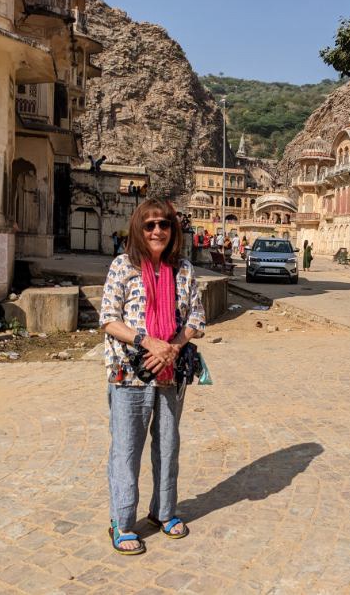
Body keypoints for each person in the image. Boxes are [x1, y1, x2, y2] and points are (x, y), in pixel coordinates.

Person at [99, 197, 206, 555]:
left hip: (170, 373)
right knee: (127, 449)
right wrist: (148, 342)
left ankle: (163, 512)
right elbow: (109, 319)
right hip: (129, 373)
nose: (157, 230)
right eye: (150, 225)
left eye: (164, 224)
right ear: (139, 229)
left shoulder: (183, 269)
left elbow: (195, 318)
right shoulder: (123, 266)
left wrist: (172, 348)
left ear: (173, 230)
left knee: (167, 446)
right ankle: (122, 522)